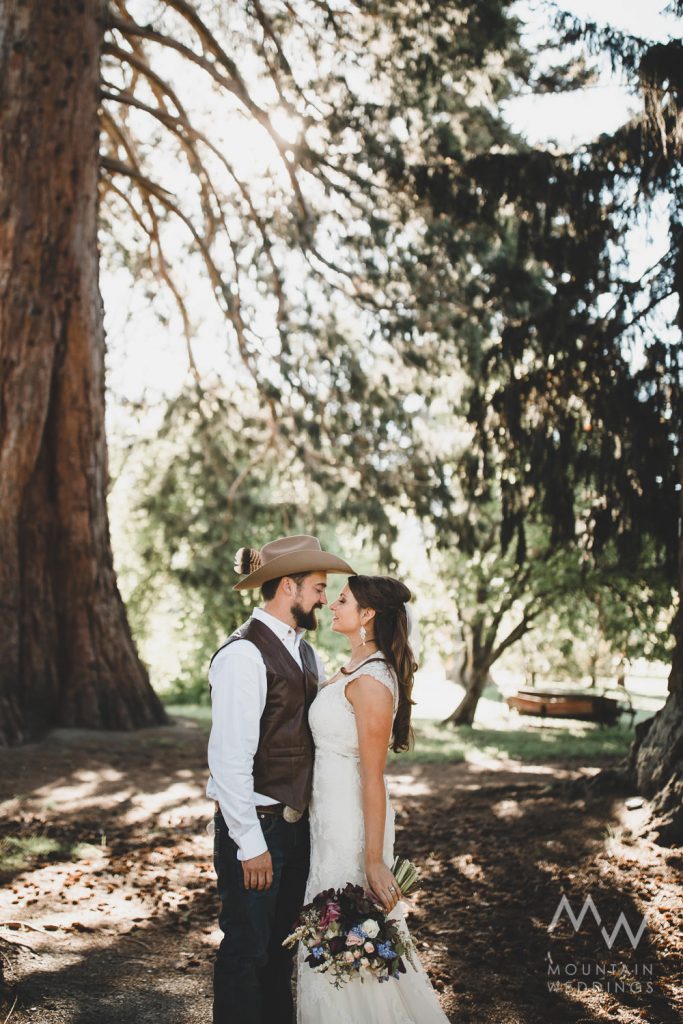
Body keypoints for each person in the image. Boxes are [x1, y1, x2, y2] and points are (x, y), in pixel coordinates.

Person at [207, 534, 355, 1024]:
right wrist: (250, 843)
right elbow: (229, 759)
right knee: (246, 953)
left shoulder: (306, 653)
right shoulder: (242, 655)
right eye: (317, 587)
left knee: (280, 953)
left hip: (295, 831)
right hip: (258, 828)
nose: (324, 598)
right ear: (288, 587)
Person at [297, 574, 450, 1023]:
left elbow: (372, 778)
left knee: (350, 941)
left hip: (350, 827)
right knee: (329, 941)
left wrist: (373, 860)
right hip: (325, 820)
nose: (331, 605)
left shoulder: (372, 680)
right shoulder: (350, 670)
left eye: (341, 600)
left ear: (367, 615)